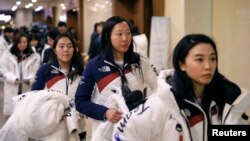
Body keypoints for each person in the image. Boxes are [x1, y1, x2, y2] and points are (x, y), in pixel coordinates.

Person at [112, 34, 250, 141]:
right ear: (182, 64)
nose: (208, 66)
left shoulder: (226, 101)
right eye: (199, 59)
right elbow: (123, 132)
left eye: (212, 59)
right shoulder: (164, 102)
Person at [75, 16, 158, 140]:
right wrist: (105, 112)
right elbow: (80, 101)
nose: (125, 39)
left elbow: (159, 87)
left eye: (128, 33)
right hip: (106, 132)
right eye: (119, 34)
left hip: (136, 130)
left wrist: (148, 107)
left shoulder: (140, 60)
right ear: (108, 36)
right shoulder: (94, 65)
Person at [32, 33, 86, 141]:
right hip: (52, 125)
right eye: (61, 46)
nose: (66, 50)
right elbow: (34, 97)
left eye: (70, 46)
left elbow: (88, 96)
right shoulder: (45, 70)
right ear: (55, 50)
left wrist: (83, 110)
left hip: (77, 125)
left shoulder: (81, 70)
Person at [0, 32, 40, 117]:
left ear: (28, 43)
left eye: (24, 42)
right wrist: (13, 78)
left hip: (27, 88)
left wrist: (30, 79)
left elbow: (36, 71)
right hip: (12, 87)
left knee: (25, 116)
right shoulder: (8, 54)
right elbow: (3, 69)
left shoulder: (34, 55)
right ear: (15, 43)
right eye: (19, 42)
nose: (22, 44)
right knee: (12, 117)